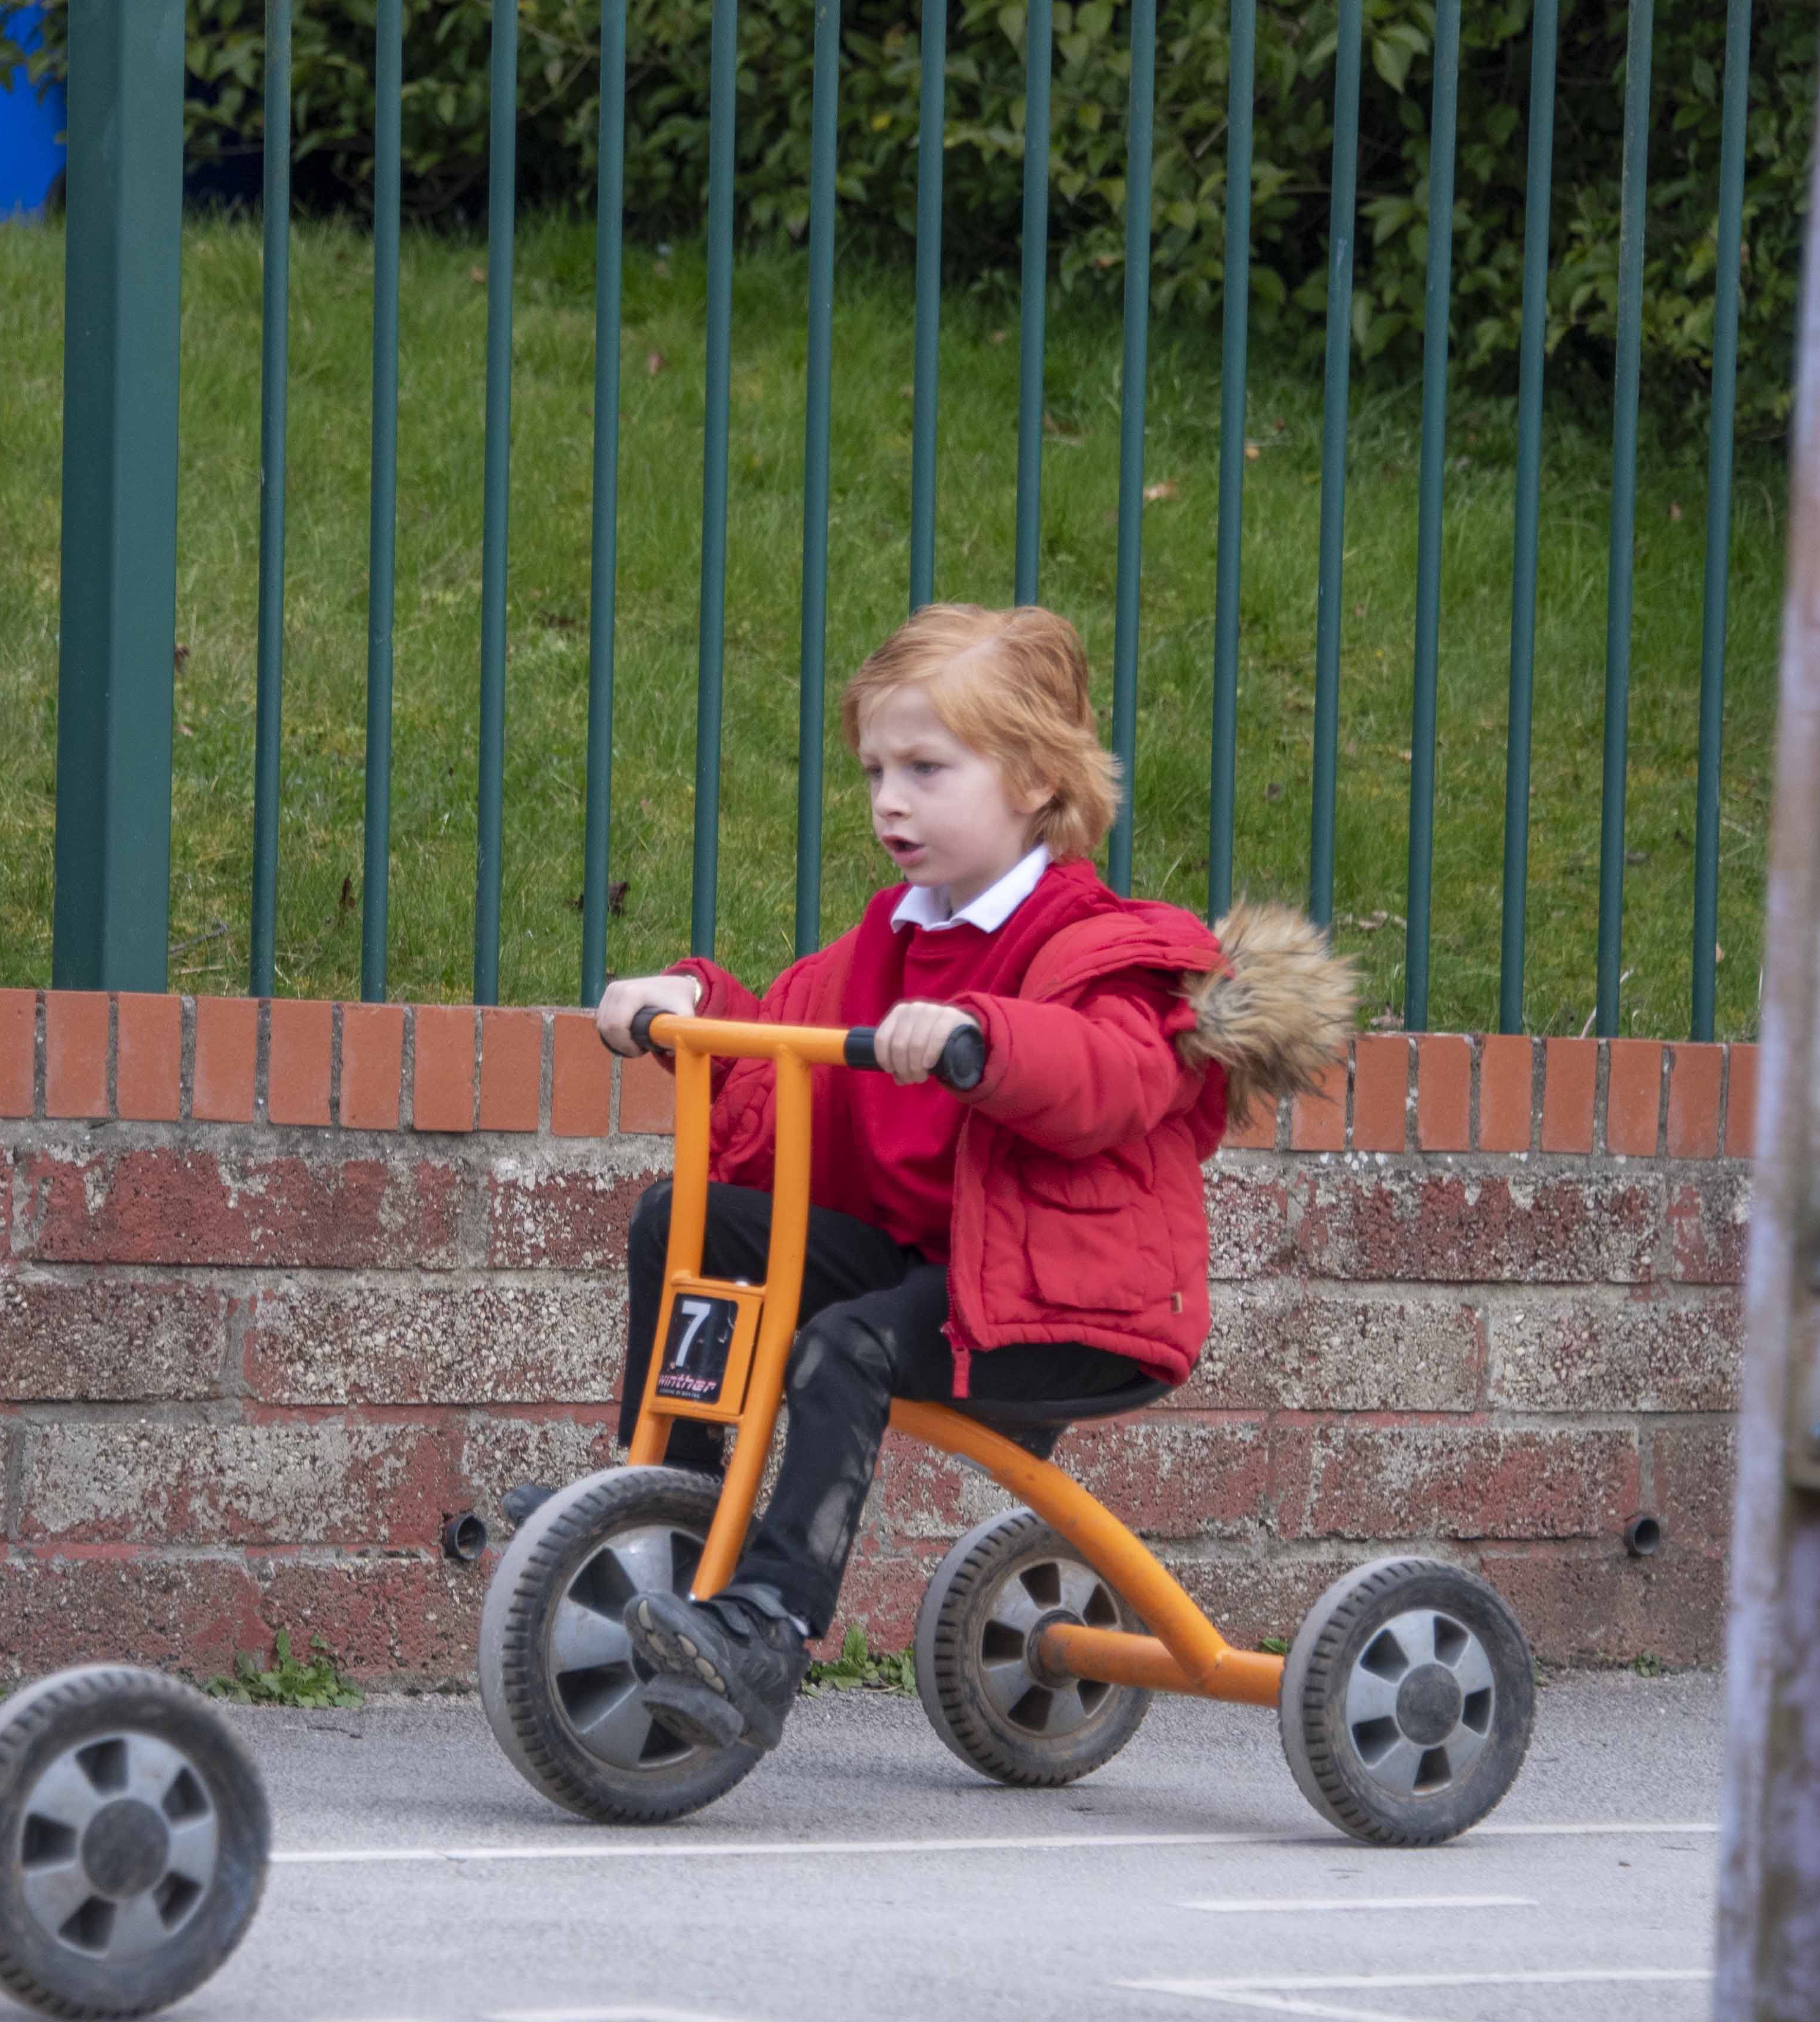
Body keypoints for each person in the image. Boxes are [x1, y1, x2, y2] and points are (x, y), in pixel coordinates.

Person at [559, 603, 1352, 1753]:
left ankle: (762, 1628)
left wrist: (988, 1038)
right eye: (876, 766)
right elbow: (786, 1029)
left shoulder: (1103, 946)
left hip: (1071, 1309)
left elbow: (1114, 1074)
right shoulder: (890, 936)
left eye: (926, 767)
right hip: (940, 1268)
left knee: (849, 1343)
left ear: (1034, 779)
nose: (889, 798)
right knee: (684, 1219)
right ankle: (666, 1525)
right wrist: (688, 1003)